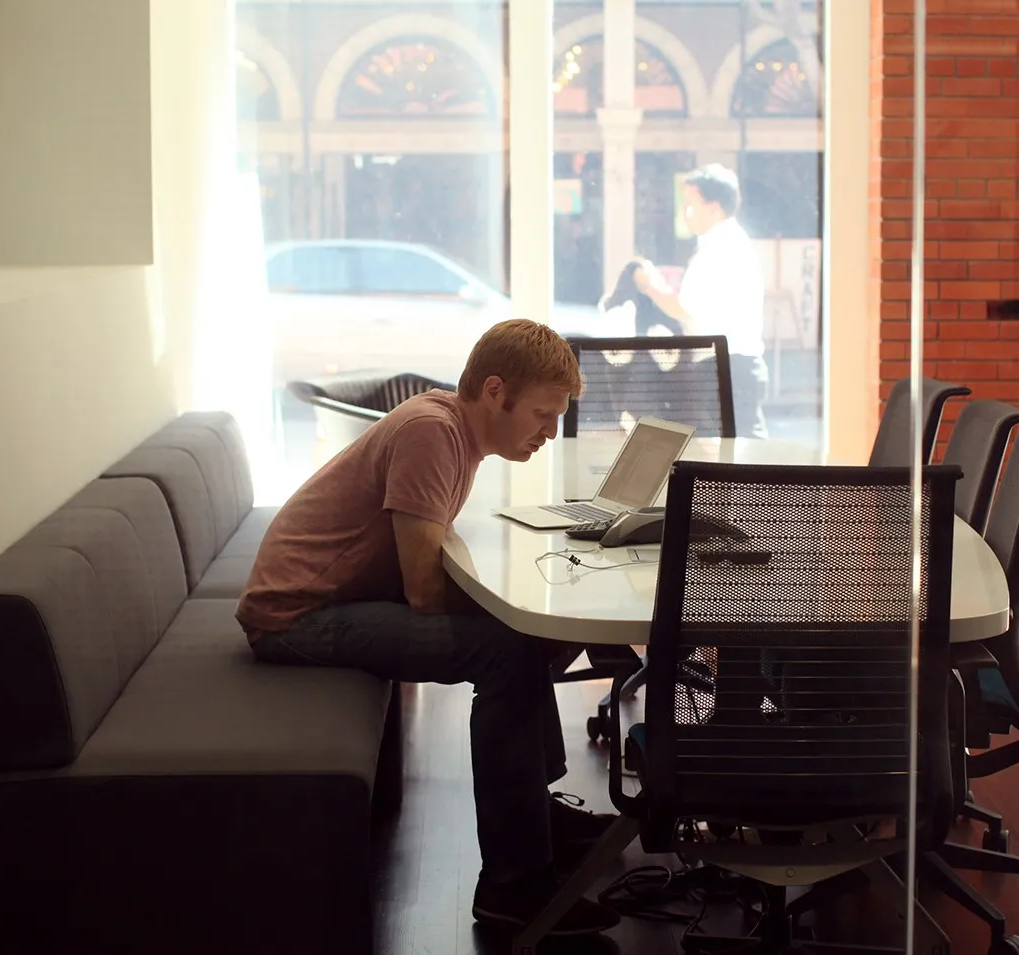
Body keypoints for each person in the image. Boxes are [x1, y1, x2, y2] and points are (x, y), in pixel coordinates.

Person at [235, 319, 620, 937]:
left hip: (333, 598)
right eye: (543, 415)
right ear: (495, 391)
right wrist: (526, 615)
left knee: (522, 641)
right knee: (509, 651)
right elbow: (422, 589)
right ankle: (513, 886)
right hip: (295, 618)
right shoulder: (431, 434)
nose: (551, 432)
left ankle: (535, 820)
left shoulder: (451, 428)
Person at [632, 163, 769, 438]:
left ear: (714, 207)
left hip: (727, 367)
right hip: (734, 366)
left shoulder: (718, 248)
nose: (685, 212)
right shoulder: (729, 242)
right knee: (738, 454)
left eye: (691, 204)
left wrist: (648, 284)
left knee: (738, 457)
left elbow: (684, 309)